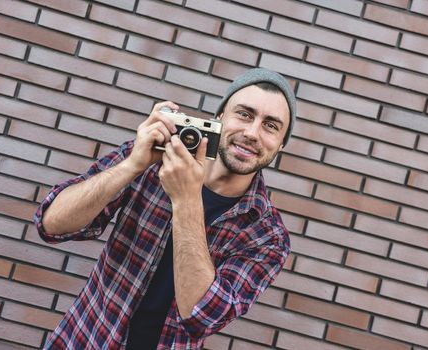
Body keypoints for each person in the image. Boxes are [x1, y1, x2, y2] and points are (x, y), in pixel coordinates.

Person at [34, 68, 296, 349]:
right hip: (85, 339)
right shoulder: (153, 159)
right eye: (244, 114)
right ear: (219, 118)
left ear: (280, 145)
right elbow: (50, 225)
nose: (252, 133)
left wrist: (186, 199)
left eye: (271, 126)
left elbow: (203, 317)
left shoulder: (267, 236)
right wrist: (133, 165)